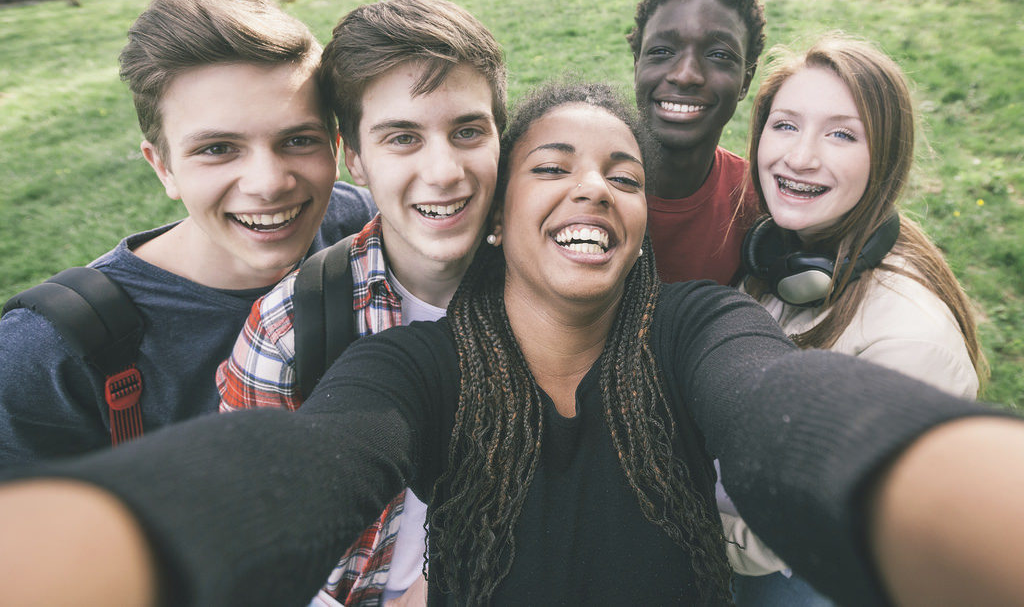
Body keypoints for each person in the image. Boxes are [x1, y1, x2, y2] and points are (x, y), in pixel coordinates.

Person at [0, 82, 1013, 607]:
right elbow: (311, 459)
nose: (592, 186)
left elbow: (786, 408)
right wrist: (104, 548)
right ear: (495, 216)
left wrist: (949, 487)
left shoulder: (692, 324)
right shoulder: (413, 364)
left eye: (620, 173)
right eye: (555, 165)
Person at [0, 0, 375, 466]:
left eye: (298, 140)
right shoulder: (46, 354)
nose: (268, 183)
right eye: (217, 149)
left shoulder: (358, 224)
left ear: (336, 146)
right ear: (163, 167)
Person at [216, 0, 506, 606]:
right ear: (356, 159)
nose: (445, 170)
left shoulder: (550, 290)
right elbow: (252, 545)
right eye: (402, 137)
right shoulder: (289, 330)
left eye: (468, 131)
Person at [724, 34, 989, 603]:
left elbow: (796, 527)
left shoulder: (912, 341)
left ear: (885, 159)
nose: (799, 157)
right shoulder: (777, 257)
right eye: (786, 124)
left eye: (841, 134)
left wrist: (657, 518)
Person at [628, 0, 765, 285]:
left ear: (745, 80)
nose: (686, 75)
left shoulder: (758, 204)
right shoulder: (580, 187)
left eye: (718, 55)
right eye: (662, 51)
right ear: (636, 65)